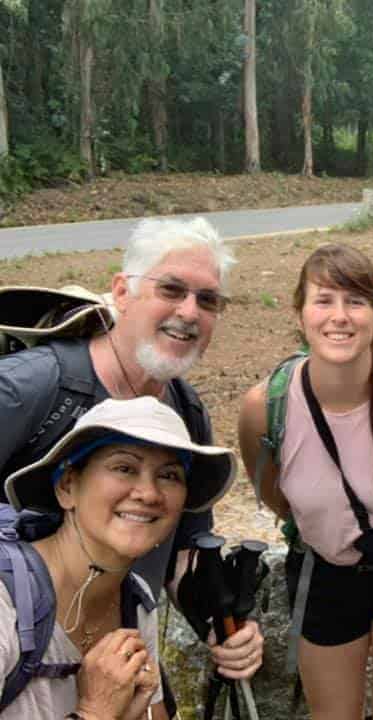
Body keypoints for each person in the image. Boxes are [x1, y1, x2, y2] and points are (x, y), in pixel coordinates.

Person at [0, 217, 264, 710]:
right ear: (122, 292)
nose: (189, 312)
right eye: (171, 289)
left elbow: (186, 550)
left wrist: (221, 622)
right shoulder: (30, 388)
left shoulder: (183, 411)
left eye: (208, 300)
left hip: (120, 648)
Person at [237, 243, 373, 720]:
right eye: (324, 300)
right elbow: (275, 495)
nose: (340, 316)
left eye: (355, 301)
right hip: (325, 575)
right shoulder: (264, 409)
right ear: (300, 313)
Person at [1, 395, 236, 719]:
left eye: (169, 475)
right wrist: (94, 713)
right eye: (124, 468)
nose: (149, 493)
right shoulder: (7, 608)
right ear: (67, 486)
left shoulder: (134, 603)